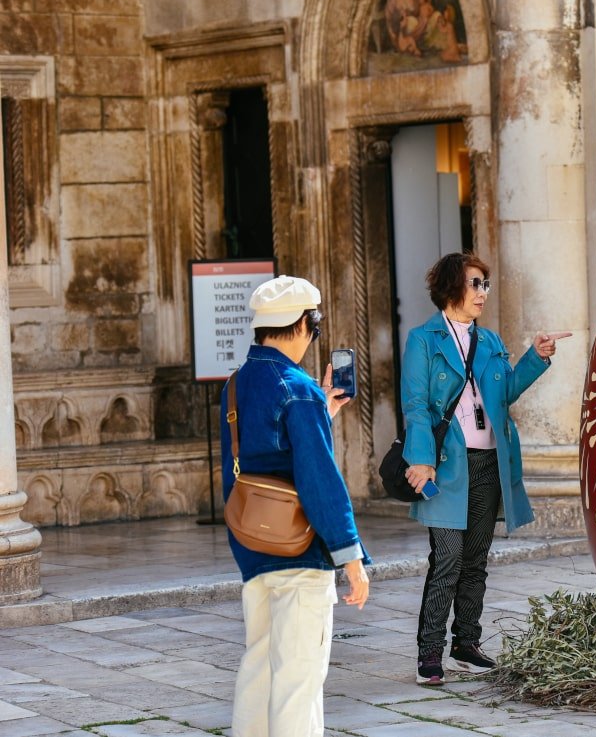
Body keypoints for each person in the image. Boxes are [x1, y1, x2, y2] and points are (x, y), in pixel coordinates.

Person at [401, 252, 570, 685]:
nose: (482, 293)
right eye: (475, 284)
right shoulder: (424, 340)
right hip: (445, 466)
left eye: (485, 284)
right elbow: (416, 405)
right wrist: (421, 459)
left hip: (490, 462)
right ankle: (429, 653)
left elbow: (505, 392)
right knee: (447, 559)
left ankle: (466, 644)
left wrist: (535, 356)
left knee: (475, 559)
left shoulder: (490, 340)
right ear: (452, 286)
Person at [221, 274, 371, 737]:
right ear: (304, 324)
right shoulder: (299, 388)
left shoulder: (236, 385)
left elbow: (254, 461)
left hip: (254, 546)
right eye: (315, 326)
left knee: (259, 670)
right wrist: (350, 556)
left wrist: (322, 412)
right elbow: (319, 478)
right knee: (298, 682)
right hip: (300, 550)